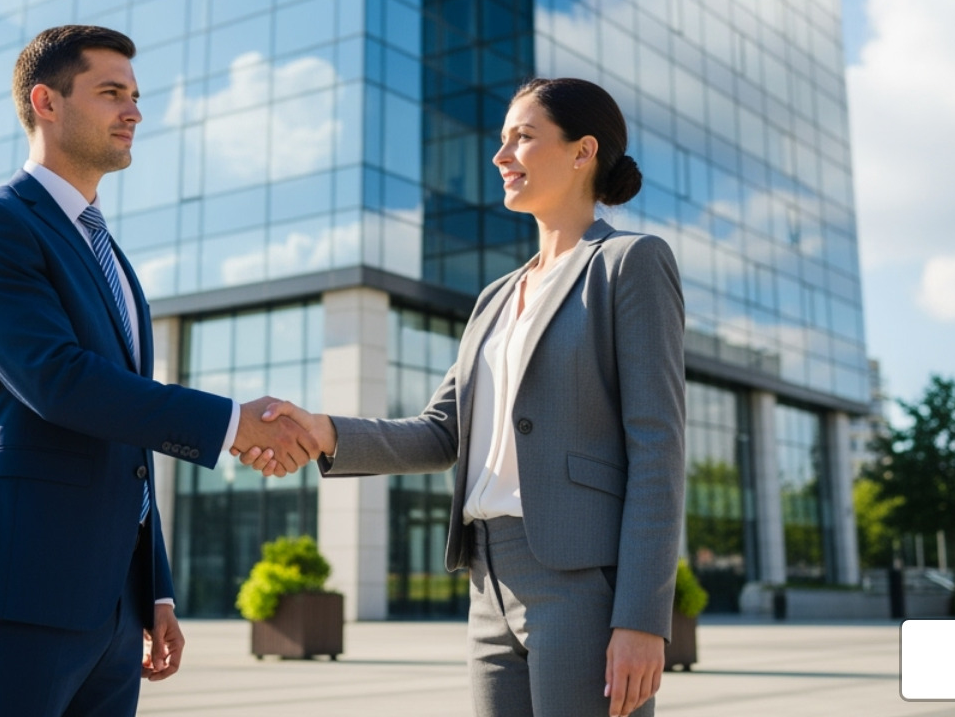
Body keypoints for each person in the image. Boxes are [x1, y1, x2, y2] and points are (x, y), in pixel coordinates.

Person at [0, 25, 319, 717]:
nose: (134, 111)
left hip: (112, 616)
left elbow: (125, 436)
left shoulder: (112, 257)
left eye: (135, 95)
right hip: (18, 592)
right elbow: (58, 381)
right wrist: (230, 422)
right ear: (46, 101)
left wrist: (152, 588)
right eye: (110, 93)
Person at [253, 77, 687, 717]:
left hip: (582, 582)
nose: (501, 155)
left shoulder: (628, 263)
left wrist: (644, 620)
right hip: (488, 581)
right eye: (501, 140)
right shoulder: (494, 297)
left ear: (582, 151)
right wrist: (324, 431)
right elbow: (440, 433)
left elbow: (658, 449)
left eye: (523, 137)